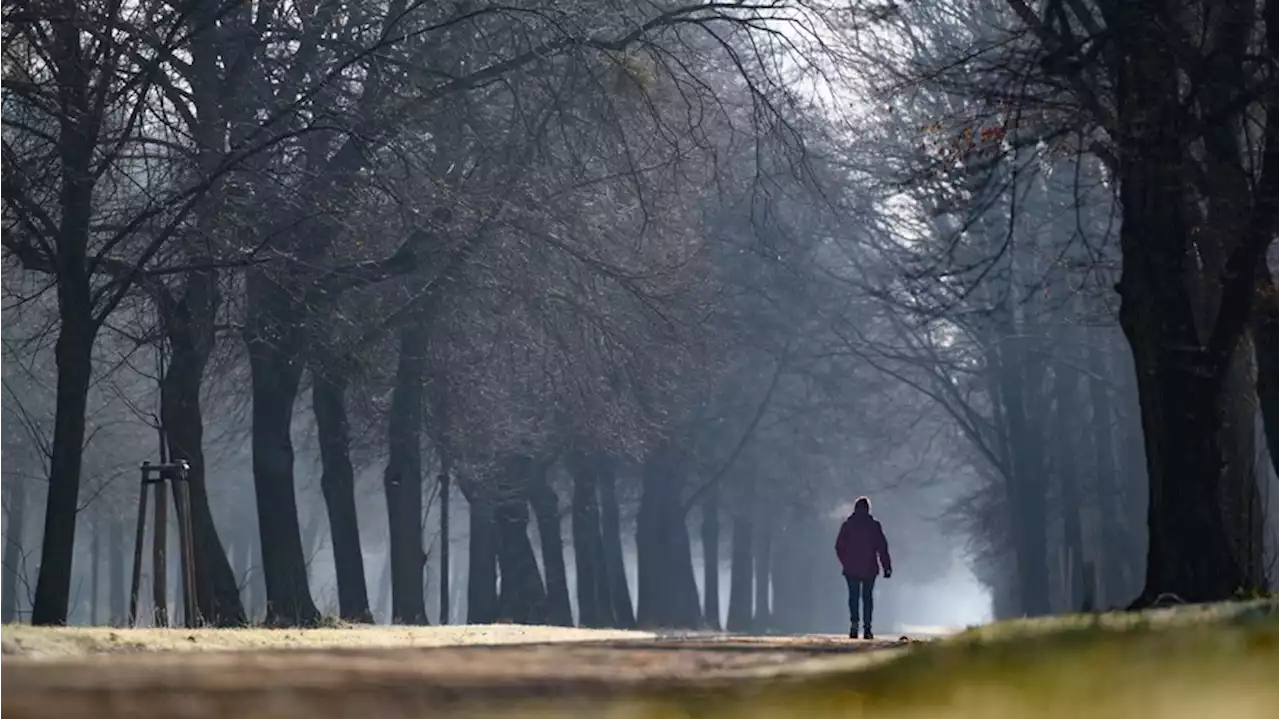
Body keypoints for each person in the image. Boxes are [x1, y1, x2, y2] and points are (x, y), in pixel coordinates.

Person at [834, 496, 892, 639]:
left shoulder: (848, 525)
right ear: (868, 509)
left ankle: (854, 625)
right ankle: (867, 628)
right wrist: (886, 566)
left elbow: (839, 546)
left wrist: (845, 562)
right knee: (867, 598)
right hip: (869, 567)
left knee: (853, 597)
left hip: (851, 568)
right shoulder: (874, 525)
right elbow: (882, 547)